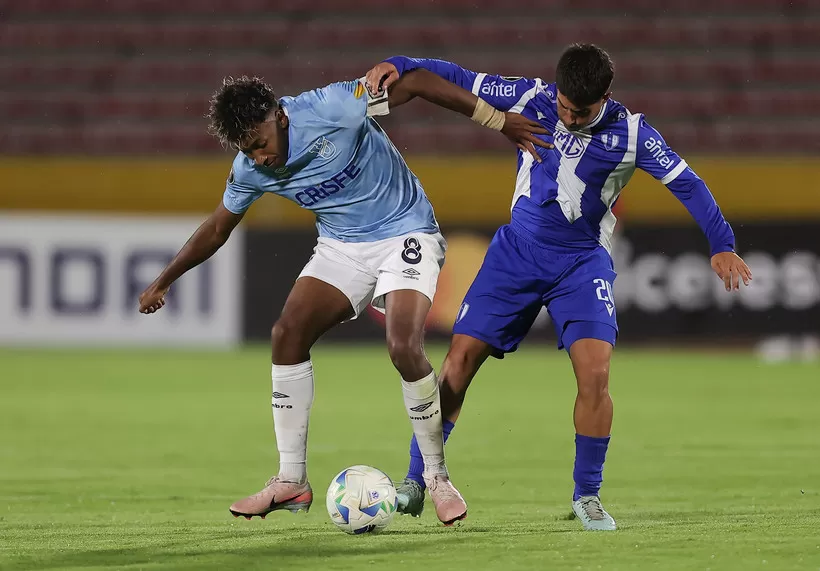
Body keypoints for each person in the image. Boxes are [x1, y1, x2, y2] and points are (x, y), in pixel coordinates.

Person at [364, 44, 752, 531]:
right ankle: (419, 479)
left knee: (595, 372)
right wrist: (399, 64)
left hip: (581, 264)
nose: (568, 117)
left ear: (606, 97)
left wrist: (721, 242)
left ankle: (587, 496)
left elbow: (687, 183)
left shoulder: (633, 134)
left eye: (580, 111)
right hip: (515, 254)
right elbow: (455, 75)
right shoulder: (531, 98)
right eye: (564, 106)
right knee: (459, 362)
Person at [137, 69, 550, 525]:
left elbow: (414, 83)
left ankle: (436, 477)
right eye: (247, 150)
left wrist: (496, 120)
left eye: (260, 141)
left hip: (406, 231)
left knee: (402, 346)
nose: (259, 156)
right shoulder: (250, 168)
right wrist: (164, 280)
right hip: (341, 247)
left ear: (280, 116)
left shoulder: (331, 107)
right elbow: (218, 228)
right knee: (287, 334)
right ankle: (290, 480)